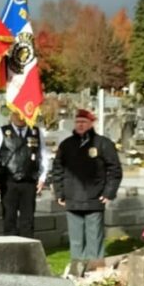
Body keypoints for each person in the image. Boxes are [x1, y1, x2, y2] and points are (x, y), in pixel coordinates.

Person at [50, 109, 122, 275]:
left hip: (94, 198)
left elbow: (115, 169)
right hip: (72, 198)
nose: (80, 125)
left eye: (83, 122)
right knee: (76, 240)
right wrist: (59, 193)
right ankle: (77, 272)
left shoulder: (103, 143)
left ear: (91, 124)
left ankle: (96, 274)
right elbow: (58, 170)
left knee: (94, 240)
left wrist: (109, 192)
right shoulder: (66, 145)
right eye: (77, 122)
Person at [0, 110, 49, 238]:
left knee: (28, 219)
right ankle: (11, 250)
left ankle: (27, 250)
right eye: (17, 113)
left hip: (29, 181)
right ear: (11, 114)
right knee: (9, 218)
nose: (20, 117)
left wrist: (43, 177)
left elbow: (43, 155)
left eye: (23, 113)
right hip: (8, 181)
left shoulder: (36, 132)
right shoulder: (1, 132)